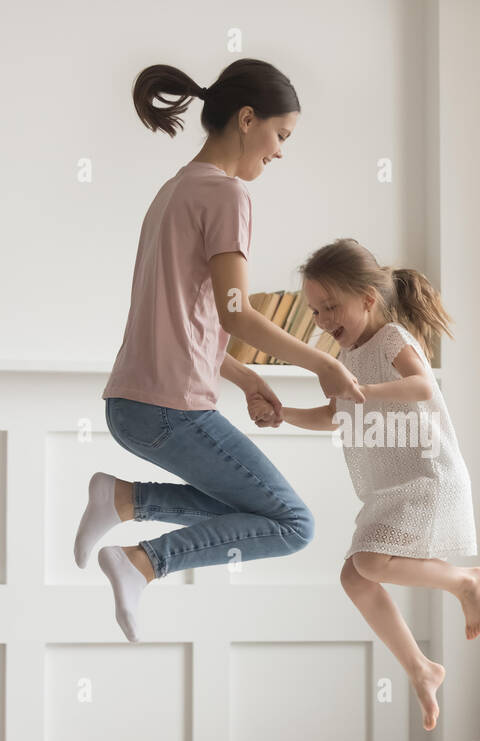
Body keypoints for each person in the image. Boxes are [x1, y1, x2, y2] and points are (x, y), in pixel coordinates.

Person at [73, 58, 364, 643]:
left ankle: (124, 499)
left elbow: (183, 319)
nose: (280, 152)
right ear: (248, 118)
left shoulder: (173, 191)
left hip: (133, 403)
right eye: (280, 136)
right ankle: (142, 561)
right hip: (169, 409)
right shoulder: (227, 195)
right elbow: (235, 312)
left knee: (255, 510)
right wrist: (326, 363)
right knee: (293, 523)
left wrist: (242, 377)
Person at [264, 238, 480, 731]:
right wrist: (285, 416)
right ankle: (422, 669)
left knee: (368, 562)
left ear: (367, 298)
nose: (322, 320)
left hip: (428, 476)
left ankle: (467, 580)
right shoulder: (343, 356)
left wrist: (360, 392)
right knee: (355, 576)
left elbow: (423, 387)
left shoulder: (391, 339)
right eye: (314, 310)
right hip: (387, 488)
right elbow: (335, 415)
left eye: (331, 307)